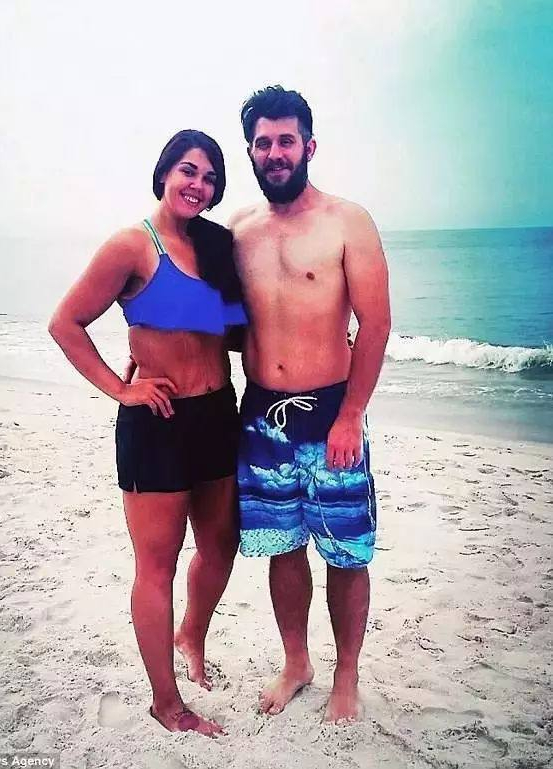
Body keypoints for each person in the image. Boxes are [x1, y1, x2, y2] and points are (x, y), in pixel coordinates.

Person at [48, 130, 247, 737]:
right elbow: (66, 323)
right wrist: (121, 387)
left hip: (217, 414)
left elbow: (236, 334)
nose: (198, 185)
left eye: (210, 178)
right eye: (188, 171)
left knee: (221, 546)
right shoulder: (133, 245)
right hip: (157, 423)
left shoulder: (216, 246)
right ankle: (167, 704)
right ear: (163, 174)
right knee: (156, 567)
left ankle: (191, 634)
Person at [230, 86, 391, 722]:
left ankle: (346, 675)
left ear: (309, 146)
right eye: (263, 143)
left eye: (286, 141)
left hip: (330, 415)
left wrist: (351, 415)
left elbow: (375, 324)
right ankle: (296, 662)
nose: (275, 153)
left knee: (346, 550)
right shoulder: (238, 230)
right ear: (251, 151)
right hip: (259, 416)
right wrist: (146, 353)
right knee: (282, 545)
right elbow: (208, 313)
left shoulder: (347, 221)